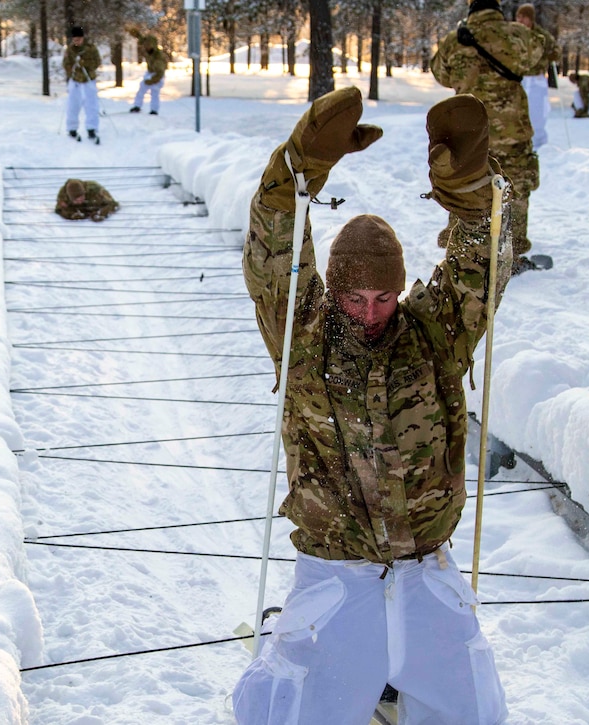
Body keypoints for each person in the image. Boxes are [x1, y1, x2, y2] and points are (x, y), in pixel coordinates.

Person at [232, 87, 511, 724]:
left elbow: (484, 263)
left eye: (384, 297)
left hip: (423, 569)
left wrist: (469, 191)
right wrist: (298, 169)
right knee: (294, 713)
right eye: (355, 297)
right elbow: (272, 253)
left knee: (474, 711)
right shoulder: (302, 332)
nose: (370, 312)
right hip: (337, 577)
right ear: (332, 287)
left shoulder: (432, 334)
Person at [431, 0, 546, 272]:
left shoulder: (453, 40)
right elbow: (540, 52)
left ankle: (461, 255)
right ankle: (511, 255)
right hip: (511, 133)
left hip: (467, 134)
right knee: (515, 190)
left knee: (464, 190)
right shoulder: (517, 35)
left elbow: (440, 74)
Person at [515, 4, 557, 149]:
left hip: (536, 79)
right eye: (518, 17)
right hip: (519, 78)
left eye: (523, 17)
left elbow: (555, 52)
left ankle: (539, 144)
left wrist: (549, 54)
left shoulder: (542, 35)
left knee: (537, 112)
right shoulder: (514, 34)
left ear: (530, 18)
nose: (520, 20)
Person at [62, 26, 101, 143]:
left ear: (83, 38)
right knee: (73, 105)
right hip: (75, 80)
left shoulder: (91, 48)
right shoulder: (70, 50)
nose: (77, 41)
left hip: (88, 79)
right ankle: (72, 128)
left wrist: (85, 63)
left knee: (91, 105)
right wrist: (73, 68)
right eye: (75, 39)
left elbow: (97, 62)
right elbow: (66, 64)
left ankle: (92, 128)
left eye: (79, 39)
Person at [128, 33, 167, 115]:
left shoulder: (158, 56)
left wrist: (152, 80)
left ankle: (154, 109)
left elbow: (160, 72)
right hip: (150, 72)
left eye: (148, 45)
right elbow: (142, 40)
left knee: (154, 92)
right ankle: (137, 106)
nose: (146, 47)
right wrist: (136, 33)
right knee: (142, 89)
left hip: (157, 75)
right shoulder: (148, 51)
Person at [54, 178, 119, 221]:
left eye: (81, 198)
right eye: (76, 201)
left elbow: (114, 204)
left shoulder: (95, 190)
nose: (80, 202)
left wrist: (101, 214)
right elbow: (59, 210)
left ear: (84, 193)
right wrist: (73, 215)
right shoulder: (63, 195)